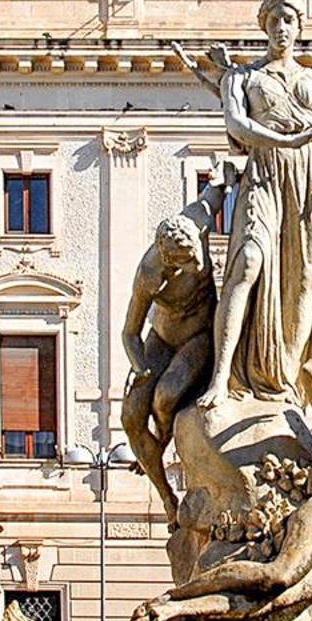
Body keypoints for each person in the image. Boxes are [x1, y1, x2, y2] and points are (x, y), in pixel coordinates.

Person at [136, 322, 312, 621]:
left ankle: (186, 608)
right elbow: (310, 373)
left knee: (282, 602)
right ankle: (178, 598)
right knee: (278, 576)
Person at [188, 0, 312, 409]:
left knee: (305, 284)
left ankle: (288, 386)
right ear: (264, 26)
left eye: (289, 20)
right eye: (273, 20)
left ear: (299, 26)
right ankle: (221, 379)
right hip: (267, 175)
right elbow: (239, 128)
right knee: (247, 264)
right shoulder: (242, 78)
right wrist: (288, 140)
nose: (281, 28)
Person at [120, 173, 227, 521]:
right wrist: (139, 368)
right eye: (187, 262)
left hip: (200, 336)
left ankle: (163, 439)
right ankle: (166, 496)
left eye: (197, 254)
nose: (198, 265)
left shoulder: (197, 218)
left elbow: (217, 189)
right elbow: (129, 333)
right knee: (132, 415)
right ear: (168, 261)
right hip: (161, 339)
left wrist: (226, 176)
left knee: (165, 398)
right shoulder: (150, 275)